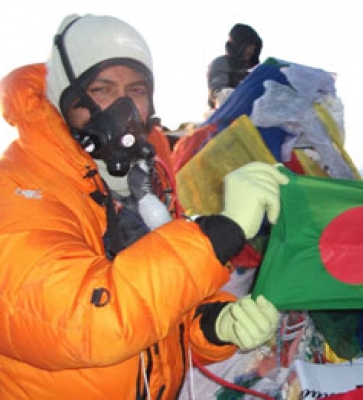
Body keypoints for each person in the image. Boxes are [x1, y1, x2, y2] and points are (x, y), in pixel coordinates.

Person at [0, 14, 288, 398]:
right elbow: (89, 322)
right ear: (63, 96)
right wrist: (220, 234)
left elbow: (164, 297)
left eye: (136, 89)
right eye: (101, 89)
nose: (123, 107)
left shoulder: (146, 181)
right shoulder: (17, 190)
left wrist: (215, 323)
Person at [206, 23, 262, 110]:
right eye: (248, 46)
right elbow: (218, 94)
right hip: (225, 117)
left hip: (251, 116)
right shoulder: (221, 63)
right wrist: (242, 97)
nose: (251, 50)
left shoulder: (250, 72)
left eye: (253, 47)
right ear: (238, 45)